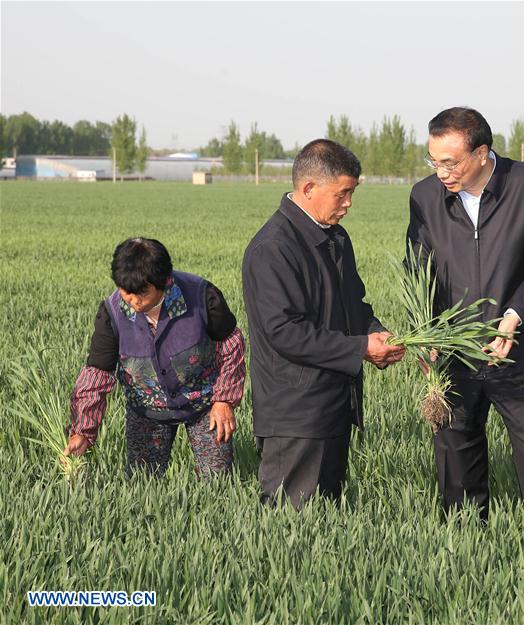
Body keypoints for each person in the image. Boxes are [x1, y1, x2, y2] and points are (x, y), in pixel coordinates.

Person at [407, 106, 524, 520]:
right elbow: (417, 270)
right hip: (453, 356)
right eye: (434, 160)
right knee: (455, 466)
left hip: (517, 351)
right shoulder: (425, 197)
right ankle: (463, 547)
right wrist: (425, 334)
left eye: (450, 162)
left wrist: (514, 316)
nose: (440, 172)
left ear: (481, 153)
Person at [242, 139, 404, 510]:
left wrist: (374, 331)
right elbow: (285, 332)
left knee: (325, 523)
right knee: (291, 526)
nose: (348, 204)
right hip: (295, 414)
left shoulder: (335, 238)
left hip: (334, 404)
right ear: (309, 188)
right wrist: (361, 348)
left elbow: (353, 305)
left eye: (352, 193)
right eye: (342, 194)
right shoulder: (273, 248)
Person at [65, 237, 245, 477]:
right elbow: (97, 373)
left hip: (205, 404)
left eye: (141, 293)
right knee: (142, 484)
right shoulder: (111, 313)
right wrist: (83, 431)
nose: (133, 301)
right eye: (126, 292)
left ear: (165, 281)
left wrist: (225, 400)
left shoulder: (201, 296)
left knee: (217, 481)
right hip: (147, 410)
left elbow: (231, 344)